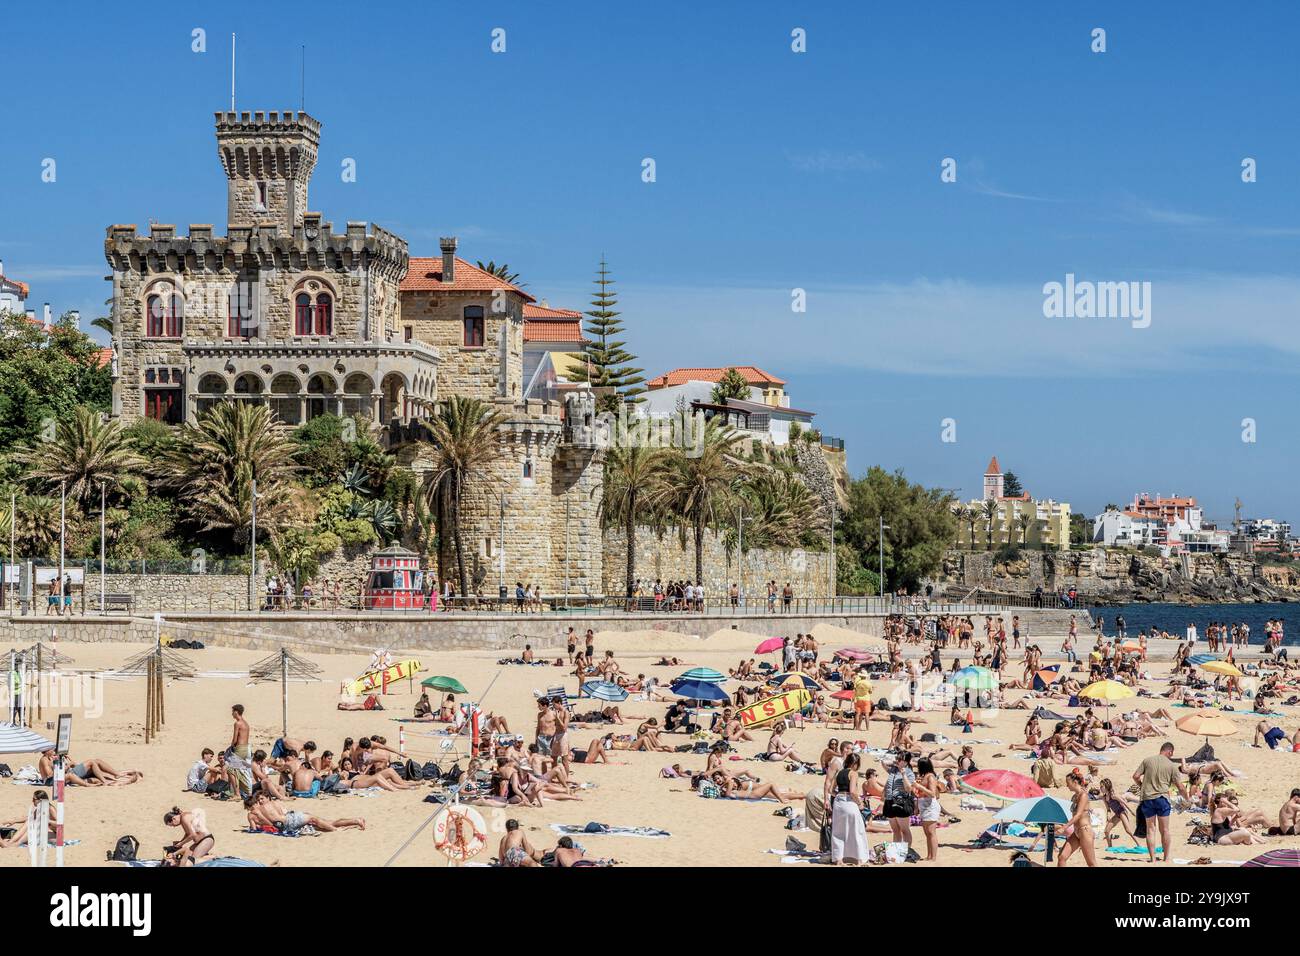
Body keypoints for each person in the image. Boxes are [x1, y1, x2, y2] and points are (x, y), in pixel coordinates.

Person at [1133, 742, 1189, 863]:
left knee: (1150, 830)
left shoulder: (1147, 760)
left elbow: (1136, 776)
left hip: (1147, 798)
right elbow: (1180, 786)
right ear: (1170, 752)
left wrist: (1142, 786)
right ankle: (1166, 858)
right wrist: (1187, 799)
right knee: (1165, 830)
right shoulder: (1172, 765)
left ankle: (1152, 859)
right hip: (1162, 799)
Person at [829, 752, 869, 865]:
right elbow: (852, 792)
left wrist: (838, 795)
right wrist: (860, 803)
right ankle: (859, 859)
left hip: (838, 802)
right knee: (857, 831)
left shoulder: (839, 773)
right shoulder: (853, 773)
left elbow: (831, 790)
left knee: (838, 832)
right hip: (849, 802)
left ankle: (839, 860)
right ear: (855, 763)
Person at [1057, 770, 1097, 867]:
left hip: (1085, 831)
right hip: (1076, 831)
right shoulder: (1074, 796)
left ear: (1075, 782)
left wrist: (1064, 828)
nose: (1067, 785)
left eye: (1068, 783)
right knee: (1062, 857)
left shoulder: (1083, 795)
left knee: (1091, 863)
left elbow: (1078, 815)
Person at [883, 751, 916, 848]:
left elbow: (909, 789)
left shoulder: (909, 772)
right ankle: (896, 851)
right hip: (889, 801)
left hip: (901, 802)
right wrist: (895, 761)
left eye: (900, 759)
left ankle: (907, 850)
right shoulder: (893, 769)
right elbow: (883, 763)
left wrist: (904, 775)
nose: (898, 760)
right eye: (898, 758)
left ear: (906, 762)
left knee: (905, 830)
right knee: (895, 830)